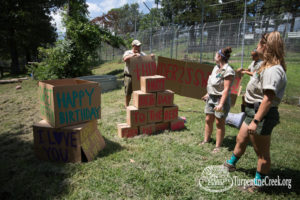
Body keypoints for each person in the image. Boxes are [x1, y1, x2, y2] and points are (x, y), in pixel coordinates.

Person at [224, 32, 287, 192]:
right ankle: (231, 164)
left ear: (266, 47)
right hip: (253, 111)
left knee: (262, 153)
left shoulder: (273, 70)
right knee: (241, 138)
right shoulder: (263, 65)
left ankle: (259, 184)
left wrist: (257, 120)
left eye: (258, 44)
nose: (256, 47)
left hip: (262, 114)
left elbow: (268, 99)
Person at [200, 47, 235, 153]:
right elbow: (212, 83)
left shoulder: (228, 71)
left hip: (220, 100)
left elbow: (226, 90)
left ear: (219, 57)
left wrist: (221, 104)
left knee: (219, 123)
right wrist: (207, 94)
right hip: (211, 98)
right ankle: (206, 140)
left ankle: (218, 146)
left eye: (215, 55)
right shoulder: (215, 67)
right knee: (208, 119)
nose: (214, 57)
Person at [123, 40, 146, 107]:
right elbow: (125, 59)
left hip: (139, 76)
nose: (139, 47)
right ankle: (126, 106)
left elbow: (148, 60)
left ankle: (137, 106)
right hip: (129, 76)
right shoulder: (128, 52)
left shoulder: (142, 54)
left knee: (139, 92)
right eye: (137, 46)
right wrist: (134, 55)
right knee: (128, 93)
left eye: (139, 46)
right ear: (133, 46)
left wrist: (151, 56)